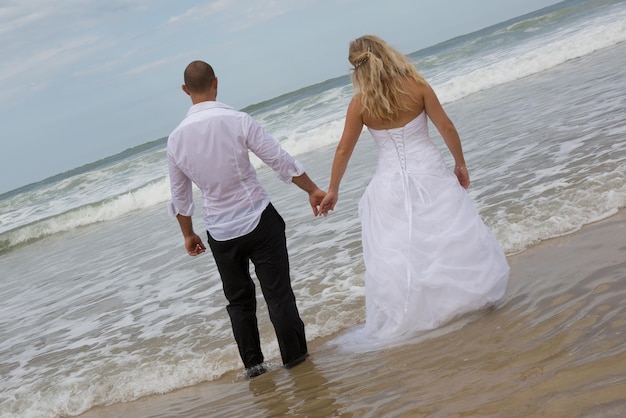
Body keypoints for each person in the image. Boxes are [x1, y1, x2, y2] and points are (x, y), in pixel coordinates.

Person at [319, 35, 509, 339]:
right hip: (430, 173)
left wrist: (333, 189)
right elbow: (446, 126)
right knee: (444, 239)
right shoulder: (417, 86)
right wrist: (460, 164)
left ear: (356, 67)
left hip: (389, 183)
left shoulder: (360, 104)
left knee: (404, 250)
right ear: (385, 53)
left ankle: (417, 312)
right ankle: (463, 302)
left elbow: (343, 150)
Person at [167, 60, 324, 377]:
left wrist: (188, 233)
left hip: (220, 231)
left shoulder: (176, 139)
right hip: (259, 220)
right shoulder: (237, 120)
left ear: (185, 90)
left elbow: (180, 197)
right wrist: (312, 190)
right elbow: (279, 159)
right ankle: (295, 361)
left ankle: (255, 368)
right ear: (216, 83)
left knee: (239, 303)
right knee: (278, 294)